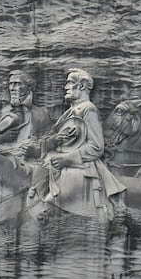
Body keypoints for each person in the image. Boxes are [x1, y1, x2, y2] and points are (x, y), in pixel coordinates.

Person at [28, 68, 126, 219]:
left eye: (70, 83)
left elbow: (96, 147)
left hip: (81, 166)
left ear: (81, 86)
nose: (65, 87)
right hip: (58, 162)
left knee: (50, 204)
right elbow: (59, 139)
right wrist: (55, 141)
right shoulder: (69, 112)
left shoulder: (88, 109)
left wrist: (66, 159)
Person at [0, 70, 51, 147]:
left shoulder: (41, 114)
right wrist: (1, 138)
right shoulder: (3, 112)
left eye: (17, 84)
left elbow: (48, 140)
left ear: (28, 87)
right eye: (10, 84)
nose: (12, 88)